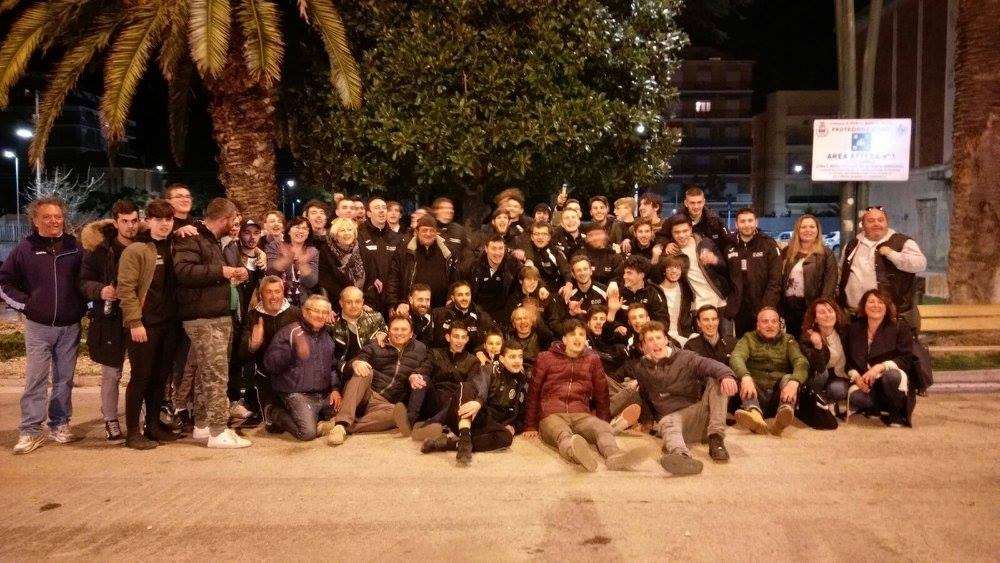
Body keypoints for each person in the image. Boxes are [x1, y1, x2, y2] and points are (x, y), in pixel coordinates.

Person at [2, 197, 87, 454]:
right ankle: (30, 430)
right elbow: (5, 283)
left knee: (64, 379)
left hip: (70, 325)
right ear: (36, 220)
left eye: (58, 216)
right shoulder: (25, 248)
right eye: (47, 217)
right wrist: (27, 305)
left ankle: (60, 424)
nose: (53, 221)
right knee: (36, 379)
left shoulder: (75, 247)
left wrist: (85, 307)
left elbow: (87, 281)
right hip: (38, 326)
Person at [172, 197, 252, 448]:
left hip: (216, 314)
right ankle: (218, 431)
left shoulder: (212, 239)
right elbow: (183, 272)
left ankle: (203, 425)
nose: (236, 224)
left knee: (205, 375)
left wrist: (235, 273)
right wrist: (222, 272)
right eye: (234, 219)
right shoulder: (191, 237)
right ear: (225, 218)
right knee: (216, 376)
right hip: (203, 317)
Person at [522, 320, 651, 473]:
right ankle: (575, 453)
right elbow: (533, 392)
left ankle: (615, 456)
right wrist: (530, 425)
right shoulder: (545, 358)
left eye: (581, 334)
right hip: (552, 414)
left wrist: (603, 421)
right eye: (572, 334)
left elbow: (601, 393)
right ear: (564, 339)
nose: (577, 338)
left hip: (581, 413)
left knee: (602, 428)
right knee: (562, 433)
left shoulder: (592, 359)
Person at [116, 199, 184, 449]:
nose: (164, 224)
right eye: (158, 219)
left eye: (168, 219)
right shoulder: (137, 250)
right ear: (149, 221)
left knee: (160, 378)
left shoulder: (175, 246)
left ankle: (153, 426)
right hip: (145, 324)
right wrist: (135, 322)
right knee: (141, 377)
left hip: (169, 324)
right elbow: (126, 289)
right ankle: (133, 432)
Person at [631, 322, 738, 475]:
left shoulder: (685, 357)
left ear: (666, 340)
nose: (656, 342)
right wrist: (647, 422)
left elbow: (709, 364)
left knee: (716, 379)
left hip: (700, 417)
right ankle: (681, 456)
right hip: (673, 425)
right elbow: (645, 396)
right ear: (643, 346)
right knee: (668, 421)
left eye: (659, 338)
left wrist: (726, 375)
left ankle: (716, 440)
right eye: (650, 340)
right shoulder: (641, 369)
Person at [78, 199, 141, 444]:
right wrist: (100, 290)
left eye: (134, 220)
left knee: (141, 371)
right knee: (111, 373)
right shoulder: (99, 249)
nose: (130, 226)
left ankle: (142, 417)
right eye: (125, 221)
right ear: (115, 222)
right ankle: (111, 419)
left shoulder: (145, 245)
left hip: (139, 317)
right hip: (110, 318)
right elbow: (83, 281)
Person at [420, 341, 530, 464]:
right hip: (465, 415)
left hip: (486, 424)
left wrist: (514, 427)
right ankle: (464, 435)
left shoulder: (521, 381)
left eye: (520, 357)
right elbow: (481, 384)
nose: (517, 361)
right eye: (512, 357)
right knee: (466, 386)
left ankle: (449, 444)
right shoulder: (490, 369)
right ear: (502, 359)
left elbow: (522, 411)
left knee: (506, 438)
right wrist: (478, 402)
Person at [328, 315, 432, 445]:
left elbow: (426, 366)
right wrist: (355, 363)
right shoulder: (376, 344)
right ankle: (341, 423)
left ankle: (340, 426)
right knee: (364, 370)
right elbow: (360, 358)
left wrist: (415, 374)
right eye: (395, 329)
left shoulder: (420, 349)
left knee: (400, 414)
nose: (399, 333)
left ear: (411, 333)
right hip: (364, 392)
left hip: (384, 403)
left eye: (404, 329)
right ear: (388, 331)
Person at [262, 295, 341, 441]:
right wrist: (291, 351)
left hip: (323, 394)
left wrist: (335, 389)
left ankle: (316, 419)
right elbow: (270, 365)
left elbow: (332, 367)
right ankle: (273, 412)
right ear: (305, 312)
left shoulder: (327, 336)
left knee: (344, 419)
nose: (321, 315)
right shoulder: (289, 333)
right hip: (296, 394)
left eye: (324, 312)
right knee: (307, 433)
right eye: (316, 311)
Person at [839, 206, 927, 331]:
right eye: (871, 221)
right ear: (862, 225)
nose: (876, 224)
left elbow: (920, 264)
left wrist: (892, 254)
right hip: (856, 317)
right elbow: (841, 271)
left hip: (892, 319)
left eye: (880, 220)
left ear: (887, 222)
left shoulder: (902, 242)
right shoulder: (852, 245)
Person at [841, 290, 919, 426]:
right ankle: (875, 407)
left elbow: (906, 359)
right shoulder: (854, 329)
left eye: (880, 302)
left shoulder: (899, 327)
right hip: (868, 384)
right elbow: (848, 361)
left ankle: (896, 412)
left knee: (892, 376)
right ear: (864, 306)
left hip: (892, 379)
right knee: (856, 397)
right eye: (871, 302)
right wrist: (856, 377)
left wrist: (880, 367)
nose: (875, 305)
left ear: (887, 306)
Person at [729, 308, 809, 437]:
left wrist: (794, 382)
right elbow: (736, 357)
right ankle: (755, 415)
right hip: (755, 395)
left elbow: (801, 361)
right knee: (744, 377)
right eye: (765, 321)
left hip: (780, 397)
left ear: (779, 325)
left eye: (774, 321)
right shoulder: (748, 338)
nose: (770, 325)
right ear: (758, 325)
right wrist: (745, 377)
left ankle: (781, 419)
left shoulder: (788, 340)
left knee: (789, 378)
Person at [236, 275, 301, 430]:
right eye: (269, 292)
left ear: (283, 293)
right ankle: (271, 411)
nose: (273, 296)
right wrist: (253, 344)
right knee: (274, 427)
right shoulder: (252, 316)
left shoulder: (296, 314)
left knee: (302, 421)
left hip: (293, 377)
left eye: (277, 291)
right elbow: (241, 356)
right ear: (261, 295)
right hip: (266, 378)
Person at [661, 214, 732, 335]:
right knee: (703, 343)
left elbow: (724, 267)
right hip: (697, 305)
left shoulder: (705, 242)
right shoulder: (672, 252)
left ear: (691, 229)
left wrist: (714, 260)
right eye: (677, 232)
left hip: (719, 300)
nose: (681, 235)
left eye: (685, 231)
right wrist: (662, 247)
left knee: (727, 340)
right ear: (671, 234)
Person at [779, 214, 839, 338]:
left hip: (812, 306)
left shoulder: (826, 253)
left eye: (812, 227)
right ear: (798, 230)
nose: (808, 230)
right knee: (792, 341)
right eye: (804, 227)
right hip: (789, 306)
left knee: (810, 340)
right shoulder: (787, 251)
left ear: (817, 230)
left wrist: (821, 308)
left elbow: (830, 283)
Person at [727, 208, 782, 337]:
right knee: (743, 343)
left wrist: (767, 307)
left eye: (750, 220)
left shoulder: (768, 244)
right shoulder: (729, 245)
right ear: (736, 224)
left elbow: (775, 280)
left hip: (763, 306)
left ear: (756, 222)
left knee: (765, 343)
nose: (747, 225)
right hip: (740, 310)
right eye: (742, 221)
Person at [386, 215, 458, 312]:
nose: (428, 234)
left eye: (432, 230)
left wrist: (450, 297)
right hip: (410, 308)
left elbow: (454, 279)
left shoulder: (447, 251)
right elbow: (393, 278)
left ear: (436, 232)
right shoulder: (404, 250)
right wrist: (393, 304)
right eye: (424, 230)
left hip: (441, 308)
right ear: (416, 232)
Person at [456, 234, 522, 322]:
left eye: (501, 248)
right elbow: (457, 281)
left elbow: (527, 275)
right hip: (476, 313)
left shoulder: (512, 266)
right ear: (486, 249)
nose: (497, 253)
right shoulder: (472, 267)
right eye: (493, 248)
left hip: (502, 314)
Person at [358, 197, 402, 316]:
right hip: (367, 301)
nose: (382, 211)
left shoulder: (397, 238)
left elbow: (399, 271)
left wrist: (394, 302)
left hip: (391, 300)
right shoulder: (359, 235)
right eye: (377, 208)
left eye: (384, 208)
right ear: (368, 213)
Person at [331, 286, 387, 379]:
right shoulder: (332, 325)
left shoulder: (376, 318)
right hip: (346, 374)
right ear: (341, 303)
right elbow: (331, 359)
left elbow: (388, 334)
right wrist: (349, 366)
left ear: (363, 302)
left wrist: (384, 334)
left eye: (357, 301)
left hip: (375, 372)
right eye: (349, 302)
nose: (354, 305)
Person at [266, 216, 319, 307]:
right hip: (277, 298)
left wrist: (303, 265)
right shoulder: (276, 246)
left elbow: (311, 283)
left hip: (302, 301)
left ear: (308, 233)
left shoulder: (312, 252)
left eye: (305, 228)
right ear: (289, 231)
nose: (300, 231)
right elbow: (271, 273)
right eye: (297, 227)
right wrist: (287, 259)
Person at [317, 217, 366, 311]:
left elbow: (371, 278)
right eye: (342, 230)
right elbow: (324, 282)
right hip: (337, 304)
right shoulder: (326, 251)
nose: (347, 233)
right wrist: (327, 306)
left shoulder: (362, 248)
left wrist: (368, 303)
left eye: (350, 230)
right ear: (335, 234)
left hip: (362, 303)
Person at [431, 280, 495, 350]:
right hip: (441, 355)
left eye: (467, 294)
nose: (464, 298)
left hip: (471, 356)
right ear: (453, 298)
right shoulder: (439, 314)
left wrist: (479, 351)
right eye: (460, 295)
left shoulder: (482, 317)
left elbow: (495, 337)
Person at [613, 255, 667, 327]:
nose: (624, 276)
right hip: (625, 333)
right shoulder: (618, 292)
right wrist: (617, 326)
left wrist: (648, 330)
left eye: (629, 273)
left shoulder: (653, 292)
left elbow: (662, 320)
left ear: (641, 275)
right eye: (624, 273)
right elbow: (612, 320)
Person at [653, 254, 695, 346]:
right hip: (665, 336)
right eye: (670, 267)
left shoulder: (685, 290)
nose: (674, 271)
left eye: (677, 268)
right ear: (664, 271)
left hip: (684, 334)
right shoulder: (655, 292)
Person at [520, 222, 571, 294]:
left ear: (549, 237)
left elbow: (566, 270)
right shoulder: (526, 250)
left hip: (555, 290)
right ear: (532, 237)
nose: (540, 237)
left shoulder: (555, 252)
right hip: (533, 289)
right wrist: (541, 286)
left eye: (544, 234)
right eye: (537, 234)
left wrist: (568, 284)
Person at [682, 186, 730, 252]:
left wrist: (717, 257)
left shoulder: (715, 221)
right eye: (692, 203)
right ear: (686, 203)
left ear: (704, 202)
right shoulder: (676, 220)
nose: (696, 206)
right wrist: (668, 244)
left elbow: (728, 243)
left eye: (699, 202)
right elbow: (666, 237)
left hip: (712, 257)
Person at [564, 255, 609, 320]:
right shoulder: (568, 294)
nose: (583, 273)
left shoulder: (604, 290)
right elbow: (563, 321)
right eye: (578, 270)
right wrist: (572, 313)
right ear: (573, 274)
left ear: (591, 271)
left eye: (585, 269)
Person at [431, 197, 470, 262]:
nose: (450, 211)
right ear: (435, 211)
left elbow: (467, 255)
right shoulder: (428, 229)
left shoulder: (459, 230)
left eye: (451, 208)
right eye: (445, 208)